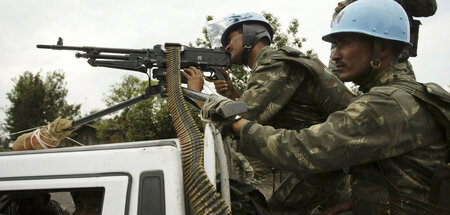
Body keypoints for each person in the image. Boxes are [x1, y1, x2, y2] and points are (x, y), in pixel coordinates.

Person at [206, 0, 449, 213]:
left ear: (382, 48)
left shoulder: (386, 104)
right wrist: (358, 201)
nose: (334, 56)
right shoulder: (400, 94)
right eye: (335, 45)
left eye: (345, 43)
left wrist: (234, 122)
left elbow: (304, 149)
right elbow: (402, 176)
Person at [183, 12, 356, 214]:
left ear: (250, 34)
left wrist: (196, 94)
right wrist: (231, 95)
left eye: (230, 39)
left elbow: (240, 121)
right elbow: (264, 113)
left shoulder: (275, 63)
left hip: (330, 156)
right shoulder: (272, 64)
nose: (226, 47)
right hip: (329, 156)